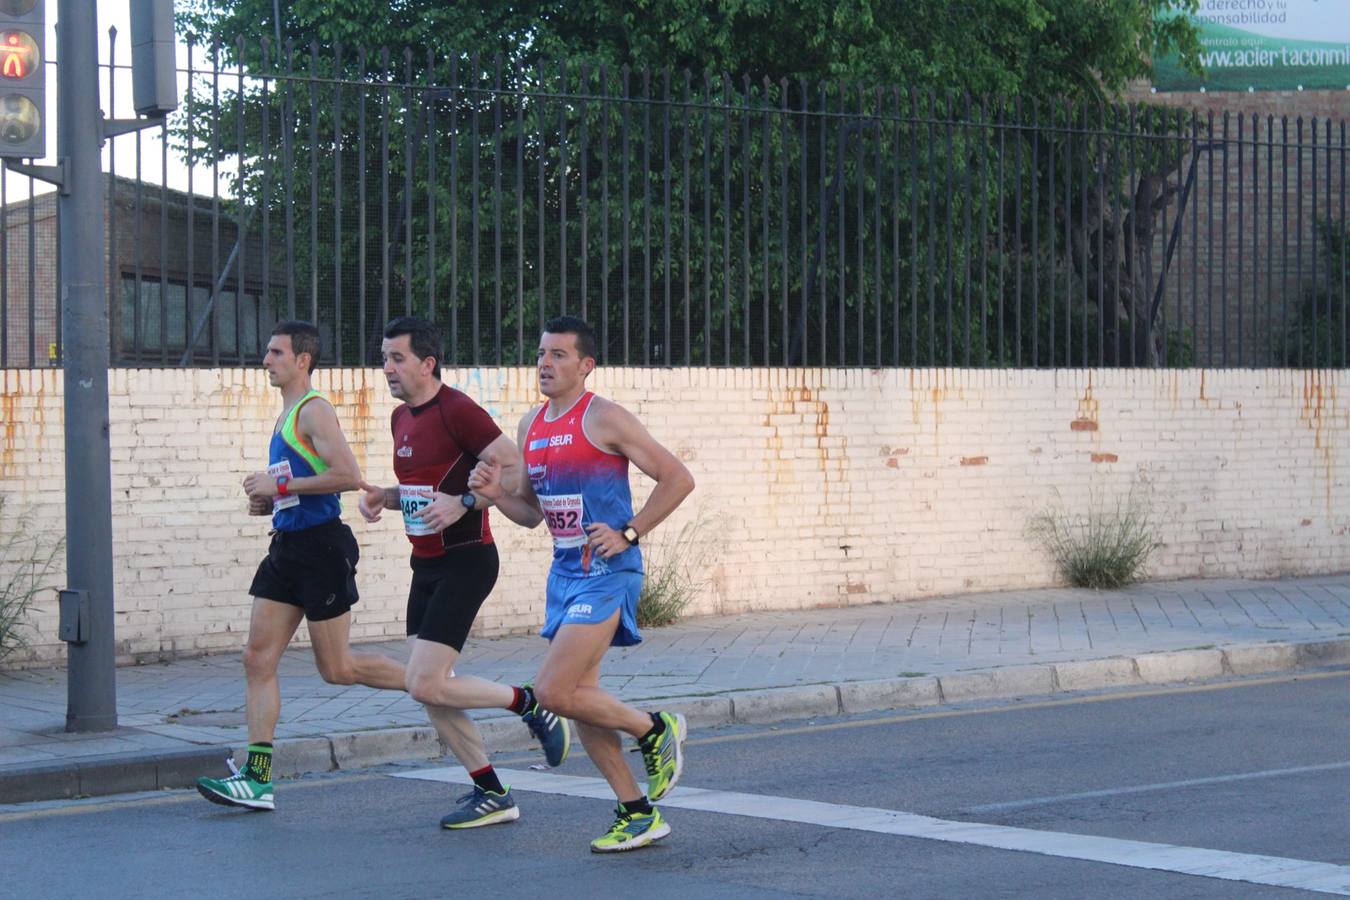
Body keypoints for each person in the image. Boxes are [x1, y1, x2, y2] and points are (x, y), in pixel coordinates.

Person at [469, 315, 695, 853]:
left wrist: (631, 531)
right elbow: (530, 514)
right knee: (578, 697)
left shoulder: (605, 418)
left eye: (559, 355)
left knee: (552, 692)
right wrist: (495, 492)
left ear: (586, 366)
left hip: (608, 574)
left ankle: (654, 729)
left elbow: (678, 478)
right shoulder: (532, 425)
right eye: (542, 354)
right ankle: (637, 812)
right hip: (565, 575)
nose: (545, 363)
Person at [357, 315, 570, 829]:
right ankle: (491, 790)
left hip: (467, 559)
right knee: (429, 687)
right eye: (384, 358)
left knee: (424, 682)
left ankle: (529, 702)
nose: (386, 367)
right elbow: (424, 491)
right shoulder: (400, 418)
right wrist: (384, 497)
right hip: (424, 564)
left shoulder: (458, 409)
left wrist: (468, 501)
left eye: (396, 358)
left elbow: (511, 467)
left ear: (427, 364)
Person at [197, 320, 408, 812]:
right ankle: (258, 777)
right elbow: (298, 481)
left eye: (275, 352)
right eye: (267, 351)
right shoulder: (286, 413)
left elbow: (347, 476)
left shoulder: (313, 411)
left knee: (338, 669)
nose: (265, 360)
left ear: (302, 361)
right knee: (256, 658)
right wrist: (269, 502)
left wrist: (282, 489)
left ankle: (434, 681)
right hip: (287, 546)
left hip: (320, 549)